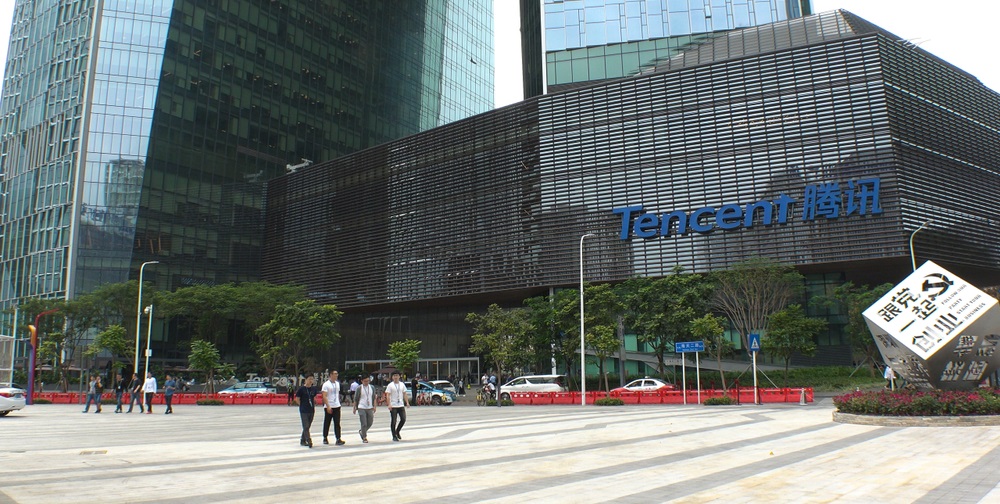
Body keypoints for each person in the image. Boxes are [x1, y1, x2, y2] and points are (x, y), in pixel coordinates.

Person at [321, 370, 345, 445]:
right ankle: (325, 437)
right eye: (335, 374)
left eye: (337, 374)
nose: (336, 375)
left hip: (337, 405)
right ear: (330, 375)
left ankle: (338, 438)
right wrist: (328, 406)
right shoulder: (326, 384)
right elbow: (324, 396)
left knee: (337, 423)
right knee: (327, 422)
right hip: (329, 406)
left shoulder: (337, 384)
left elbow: (337, 394)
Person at [385, 371, 409, 441]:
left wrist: (407, 402)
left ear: (399, 376)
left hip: (401, 404)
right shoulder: (390, 385)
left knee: (403, 419)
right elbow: (388, 395)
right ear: (392, 377)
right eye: (394, 376)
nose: (395, 377)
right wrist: (389, 404)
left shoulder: (402, 384)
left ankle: (397, 431)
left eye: (397, 375)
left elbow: (404, 394)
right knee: (394, 421)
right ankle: (394, 436)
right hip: (393, 405)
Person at [295, 375, 317, 448]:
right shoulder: (301, 389)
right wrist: (301, 405)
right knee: (306, 426)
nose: (311, 381)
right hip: (304, 410)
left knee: (307, 426)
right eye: (309, 379)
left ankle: (302, 440)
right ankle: (309, 440)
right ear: (306, 380)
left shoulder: (313, 389)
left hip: (311, 410)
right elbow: (297, 399)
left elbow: (314, 397)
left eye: (312, 379)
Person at [353, 375, 376, 443]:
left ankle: (362, 431)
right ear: (362, 381)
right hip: (361, 407)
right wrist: (354, 408)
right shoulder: (359, 388)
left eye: (368, 381)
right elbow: (356, 399)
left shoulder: (372, 387)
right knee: (364, 423)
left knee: (370, 422)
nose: (366, 382)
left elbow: (374, 397)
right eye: (365, 381)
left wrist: (374, 406)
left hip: (370, 407)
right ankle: (364, 437)